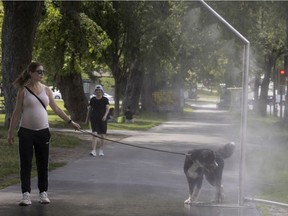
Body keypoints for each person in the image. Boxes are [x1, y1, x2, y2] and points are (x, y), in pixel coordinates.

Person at [7, 62, 81, 206]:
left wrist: (70, 122)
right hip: (26, 132)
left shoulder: (47, 90)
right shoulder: (23, 90)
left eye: (43, 72)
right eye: (39, 72)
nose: (42, 74)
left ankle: (43, 193)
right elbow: (16, 112)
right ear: (31, 72)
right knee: (26, 164)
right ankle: (26, 194)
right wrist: (10, 132)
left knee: (43, 164)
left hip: (43, 132)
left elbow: (56, 109)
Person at [88, 85, 109, 157]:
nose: (98, 92)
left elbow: (107, 108)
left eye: (99, 91)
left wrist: (105, 116)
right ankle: (93, 150)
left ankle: (101, 150)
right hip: (94, 118)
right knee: (94, 134)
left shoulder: (105, 99)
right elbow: (90, 109)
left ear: (102, 91)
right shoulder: (93, 99)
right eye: (97, 91)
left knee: (102, 135)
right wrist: (87, 118)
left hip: (102, 119)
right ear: (95, 92)